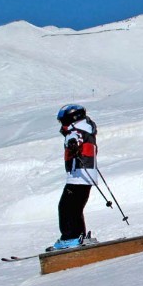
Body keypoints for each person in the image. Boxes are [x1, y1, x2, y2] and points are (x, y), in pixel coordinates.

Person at [49, 104, 98, 250]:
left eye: (62, 121)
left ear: (70, 119)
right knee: (75, 208)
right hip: (87, 175)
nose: (61, 125)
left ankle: (70, 238)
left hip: (79, 175)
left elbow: (75, 139)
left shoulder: (76, 131)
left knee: (65, 207)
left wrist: (72, 144)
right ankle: (78, 236)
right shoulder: (87, 128)